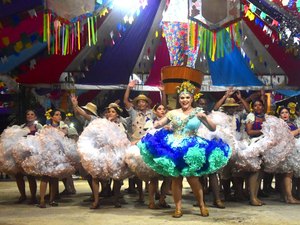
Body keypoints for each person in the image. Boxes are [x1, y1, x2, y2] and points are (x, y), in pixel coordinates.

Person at [138, 81, 231, 218]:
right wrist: (156, 125)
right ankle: (178, 208)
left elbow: (213, 128)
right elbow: (160, 123)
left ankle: (202, 205)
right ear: (178, 99)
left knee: (193, 178)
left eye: (187, 97)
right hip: (174, 146)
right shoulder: (172, 113)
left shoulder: (198, 112)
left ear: (192, 98)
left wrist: (205, 117)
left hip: (191, 148)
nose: (185, 100)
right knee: (176, 179)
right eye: (182, 97)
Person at [123, 80, 155, 202]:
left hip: (147, 142)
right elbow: (126, 101)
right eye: (139, 101)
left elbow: (163, 106)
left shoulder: (152, 114)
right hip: (134, 142)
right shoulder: (133, 113)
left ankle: (150, 193)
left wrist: (162, 93)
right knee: (137, 171)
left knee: (149, 168)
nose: (141, 103)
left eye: (144, 101)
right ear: (137, 104)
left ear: (147, 104)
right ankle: (140, 194)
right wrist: (129, 88)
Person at [276, 106, 300, 204]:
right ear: (279, 115)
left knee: (288, 174)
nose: (285, 114)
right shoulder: (280, 124)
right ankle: (289, 197)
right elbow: (287, 135)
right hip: (287, 149)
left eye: (286, 112)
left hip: (294, 148)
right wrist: (298, 130)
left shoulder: (292, 122)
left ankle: (286, 196)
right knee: (288, 173)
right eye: (282, 113)